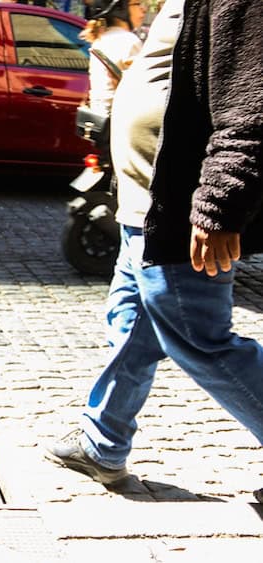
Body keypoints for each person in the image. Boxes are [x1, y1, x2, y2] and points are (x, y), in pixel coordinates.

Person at [46, 0, 263, 495]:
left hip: (178, 205)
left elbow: (250, 101)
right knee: (132, 327)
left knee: (200, 338)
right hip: (144, 200)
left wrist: (218, 204)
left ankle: (102, 441)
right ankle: (101, 442)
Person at [80, 0, 144, 118]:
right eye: (137, 4)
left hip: (100, 114)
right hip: (120, 117)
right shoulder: (128, 40)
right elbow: (142, 87)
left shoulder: (102, 38)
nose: (143, 9)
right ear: (120, 9)